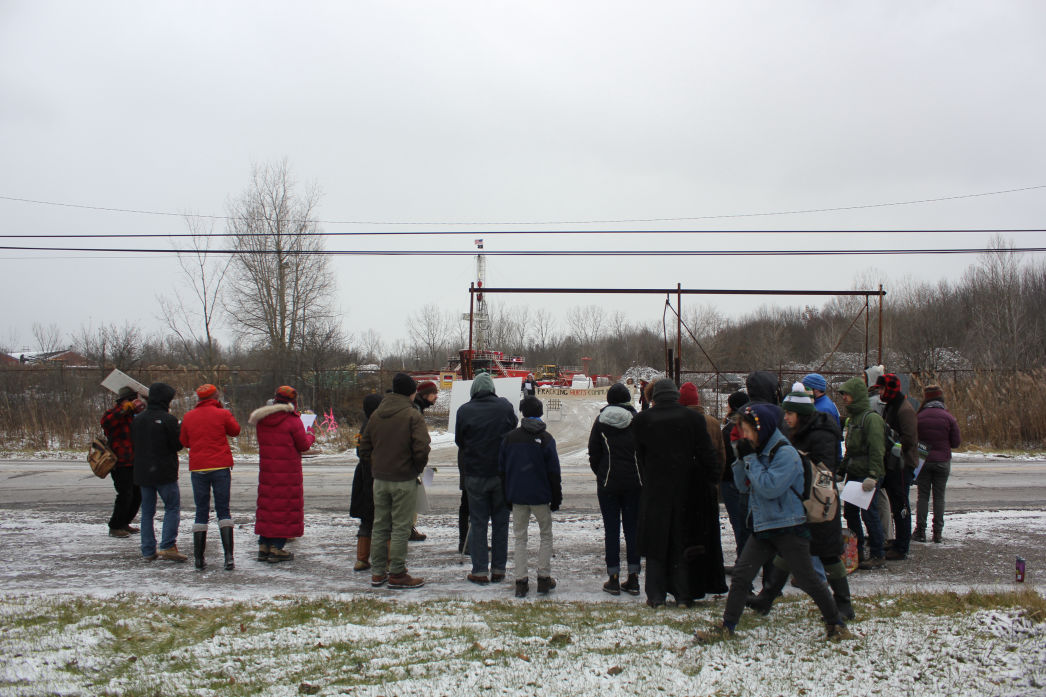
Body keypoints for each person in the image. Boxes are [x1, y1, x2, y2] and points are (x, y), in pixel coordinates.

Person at [695, 403, 849, 642]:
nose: (745, 436)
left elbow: (769, 487)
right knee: (741, 576)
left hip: (789, 526)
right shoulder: (757, 450)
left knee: (809, 579)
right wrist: (739, 457)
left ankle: (836, 623)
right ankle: (728, 627)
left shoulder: (785, 453)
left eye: (748, 431)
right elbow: (740, 484)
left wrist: (751, 460)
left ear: (762, 428)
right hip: (764, 525)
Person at [746, 383, 854, 621]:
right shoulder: (796, 432)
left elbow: (824, 470)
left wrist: (794, 462)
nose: (786, 418)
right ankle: (766, 598)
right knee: (788, 550)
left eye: (790, 414)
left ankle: (844, 604)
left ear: (802, 415)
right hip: (799, 500)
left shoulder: (821, 434)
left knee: (829, 553)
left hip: (819, 503)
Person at [632, 378, 725, 608]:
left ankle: (655, 596)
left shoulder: (643, 420)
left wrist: (648, 480)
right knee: (681, 542)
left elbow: (640, 456)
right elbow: (706, 454)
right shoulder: (692, 419)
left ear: (654, 397)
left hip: (655, 490)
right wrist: (711, 480)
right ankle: (684, 594)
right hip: (686, 489)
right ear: (675, 395)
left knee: (656, 544)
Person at [360, 373, 430, 589]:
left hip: (379, 480)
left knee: (380, 526)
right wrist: (415, 469)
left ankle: (378, 572)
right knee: (400, 527)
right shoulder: (412, 415)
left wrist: (377, 467)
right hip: (403, 478)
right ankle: (397, 573)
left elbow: (364, 448)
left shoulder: (376, 415)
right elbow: (422, 447)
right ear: (411, 392)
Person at [455, 372, 518, 584]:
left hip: (475, 474)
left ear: (474, 390)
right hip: (501, 474)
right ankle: (499, 569)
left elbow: (459, 441)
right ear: (492, 389)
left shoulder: (464, 410)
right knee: (501, 522)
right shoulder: (505, 407)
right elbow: (513, 430)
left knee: (479, 522)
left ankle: (480, 570)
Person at [500, 396, 562, 597]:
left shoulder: (510, 438)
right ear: (540, 412)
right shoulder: (546, 439)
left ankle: (521, 581)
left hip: (518, 494)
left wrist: (506, 494)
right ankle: (543, 577)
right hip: (540, 495)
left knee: (520, 538)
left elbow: (502, 470)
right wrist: (556, 496)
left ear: (522, 413)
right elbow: (554, 471)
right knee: (545, 535)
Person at [587, 383, 642, 596]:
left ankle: (613, 577)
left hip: (608, 483)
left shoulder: (601, 422)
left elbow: (593, 453)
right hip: (634, 483)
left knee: (611, 530)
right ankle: (634, 578)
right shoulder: (637, 422)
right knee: (632, 530)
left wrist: (602, 473)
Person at [248, 385, 314, 563]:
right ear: (293, 401)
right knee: (283, 509)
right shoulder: (293, 421)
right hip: (288, 473)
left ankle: (264, 545)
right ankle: (277, 548)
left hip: (268, 472)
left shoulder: (262, 420)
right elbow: (304, 445)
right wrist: (310, 434)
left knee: (268, 506)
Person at [179, 384, 241, 570]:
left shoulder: (189, 416)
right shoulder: (222, 414)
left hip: (198, 468)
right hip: (220, 466)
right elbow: (235, 430)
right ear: (216, 397)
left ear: (198, 398)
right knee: (223, 510)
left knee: (201, 510)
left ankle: (199, 559)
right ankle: (229, 557)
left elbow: (184, 441)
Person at [132, 382, 186, 562]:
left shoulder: (138, 419)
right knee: (171, 507)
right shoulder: (168, 420)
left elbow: (134, 443)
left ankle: (148, 549)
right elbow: (177, 445)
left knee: (147, 511)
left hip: (143, 472)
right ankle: (168, 545)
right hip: (165, 471)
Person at [838, 377, 887, 570]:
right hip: (854, 475)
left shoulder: (871, 419)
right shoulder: (853, 420)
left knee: (869, 514)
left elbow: (877, 449)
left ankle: (877, 553)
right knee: (850, 512)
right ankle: (856, 552)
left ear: (856, 395)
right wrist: (841, 471)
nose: (844, 398)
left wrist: (873, 476)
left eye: (847, 395)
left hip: (867, 476)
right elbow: (850, 450)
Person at [878, 373, 919, 561]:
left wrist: (892, 445)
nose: (880, 392)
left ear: (890, 388)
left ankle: (902, 546)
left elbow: (909, 439)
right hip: (893, 464)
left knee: (902, 507)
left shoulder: (904, 409)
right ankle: (897, 541)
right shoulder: (891, 406)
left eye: (882, 388)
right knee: (896, 504)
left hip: (902, 465)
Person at [915, 385, 961, 544]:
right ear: (941, 398)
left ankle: (920, 531)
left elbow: (913, 439)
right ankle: (937, 533)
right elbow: (956, 442)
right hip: (942, 461)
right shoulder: (948, 417)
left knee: (923, 496)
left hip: (924, 460)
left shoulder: (919, 416)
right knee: (939, 497)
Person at [101, 386, 144, 538]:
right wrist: (123, 410)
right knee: (125, 494)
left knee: (137, 495)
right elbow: (106, 422)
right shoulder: (114, 414)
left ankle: (124, 522)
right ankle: (115, 525)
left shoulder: (134, 415)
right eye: (132, 400)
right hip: (120, 462)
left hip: (134, 461)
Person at [350, 393, 383, 571]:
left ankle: (362, 558)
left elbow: (360, 452)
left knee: (366, 520)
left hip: (362, 477)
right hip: (374, 476)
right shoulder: (376, 426)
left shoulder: (363, 426)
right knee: (382, 520)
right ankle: (384, 560)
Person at [720, 391, 751, 571]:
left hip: (731, 480)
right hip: (745, 479)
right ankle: (746, 560)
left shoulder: (732, 428)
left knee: (739, 523)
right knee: (746, 522)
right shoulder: (750, 425)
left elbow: (725, 454)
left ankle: (744, 563)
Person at [409, 380, 440, 542]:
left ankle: (408, 527)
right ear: (425, 394)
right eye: (434, 393)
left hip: (411, 461)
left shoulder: (417, 407)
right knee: (411, 496)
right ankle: (407, 528)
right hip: (410, 464)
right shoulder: (415, 409)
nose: (436, 397)